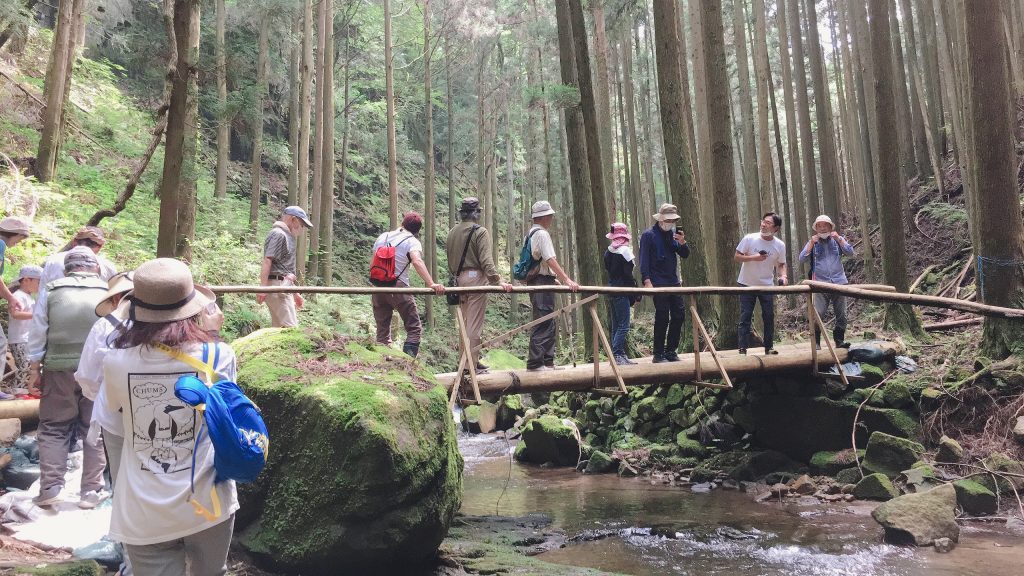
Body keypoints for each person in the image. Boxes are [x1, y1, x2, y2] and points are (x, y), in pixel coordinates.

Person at [102, 258, 237, 575]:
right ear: (194, 308)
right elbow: (225, 411)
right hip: (209, 500)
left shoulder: (116, 362)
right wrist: (212, 334)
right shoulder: (220, 355)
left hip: (143, 506)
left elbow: (117, 417)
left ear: (137, 309)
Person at [26, 247, 110, 507]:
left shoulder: (51, 290)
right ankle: (91, 491)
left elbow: (38, 329)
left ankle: (51, 487)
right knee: (94, 427)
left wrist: (34, 369)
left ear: (66, 268)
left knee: (53, 426)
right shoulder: (108, 293)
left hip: (58, 367)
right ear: (95, 267)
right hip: (98, 370)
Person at [444, 197, 513, 373]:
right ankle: (470, 366)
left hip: (457, 280)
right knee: (473, 325)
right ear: (475, 213)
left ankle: (467, 361)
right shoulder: (480, 232)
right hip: (475, 280)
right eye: (479, 212)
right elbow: (486, 261)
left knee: (465, 324)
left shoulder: (452, 232)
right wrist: (497, 282)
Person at [370, 212, 445, 357]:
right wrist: (431, 283)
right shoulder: (412, 241)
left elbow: (373, 261)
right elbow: (416, 260)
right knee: (414, 328)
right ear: (417, 230)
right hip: (398, 287)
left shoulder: (383, 236)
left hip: (378, 287)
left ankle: (382, 363)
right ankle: (408, 365)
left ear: (402, 223)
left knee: (382, 330)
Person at [522, 201, 580, 372]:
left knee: (548, 320)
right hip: (541, 282)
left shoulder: (531, 233)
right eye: (550, 216)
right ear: (545, 217)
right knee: (543, 320)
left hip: (541, 280)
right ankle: (536, 363)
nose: (552, 218)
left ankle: (548, 361)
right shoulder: (541, 234)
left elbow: (539, 260)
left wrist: (552, 278)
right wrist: (566, 279)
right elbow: (549, 259)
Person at [639, 204, 690, 363]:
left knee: (679, 314)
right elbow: (643, 260)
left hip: (673, 282)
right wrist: (647, 281)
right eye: (668, 220)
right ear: (661, 219)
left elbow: (685, 254)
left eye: (672, 220)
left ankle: (671, 351)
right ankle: (658, 353)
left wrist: (682, 242)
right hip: (657, 282)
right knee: (662, 316)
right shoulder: (649, 235)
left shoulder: (672, 235)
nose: (670, 223)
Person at [735, 212, 789, 355]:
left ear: (776, 228)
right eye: (763, 221)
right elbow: (737, 256)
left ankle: (769, 347)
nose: (763, 224)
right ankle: (742, 349)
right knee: (745, 316)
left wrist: (783, 276)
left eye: (768, 223)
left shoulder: (779, 245)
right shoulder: (749, 239)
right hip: (746, 283)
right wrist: (754, 257)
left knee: (768, 316)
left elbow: (782, 264)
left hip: (766, 284)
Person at [799, 214, 855, 348]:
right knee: (818, 313)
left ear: (830, 227)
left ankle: (839, 340)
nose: (822, 228)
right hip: (819, 284)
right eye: (819, 226)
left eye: (825, 226)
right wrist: (811, 244)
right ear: (816, 229)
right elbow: (802, 259)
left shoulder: (837, 240)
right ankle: (816, 342)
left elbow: (850, 252)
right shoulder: (813, 242)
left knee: (842, 314)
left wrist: (839, 239)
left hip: (839, 282)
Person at [258, 206, 313, 328]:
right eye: (301, 224)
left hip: (283, 285)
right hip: (278, 287)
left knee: (279, 330)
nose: (302, 229)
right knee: (291, 329)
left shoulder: (287, 236)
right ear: (293, 220)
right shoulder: (278, 234)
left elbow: (284, 268)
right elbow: (268, 260)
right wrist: (263, 288)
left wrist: (295, 293)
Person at [36, 226, 118, 301]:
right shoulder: (108, 266)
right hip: (93, 313)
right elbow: (113, 297)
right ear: (100, 246)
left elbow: (42, 293)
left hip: (56, 311)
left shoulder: (54, 260)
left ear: (74, 242)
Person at [0, 217, 31, 385]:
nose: (18, 242)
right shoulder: (0, 244)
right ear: (16, 234)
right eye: (20, 239)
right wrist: (11, 297)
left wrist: (9, 296)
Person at [604, 223, 639, 365]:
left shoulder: (608, 252)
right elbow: (628, 275)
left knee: (616, 324)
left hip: (611, 289)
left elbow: (609, 269)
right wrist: (635, 292)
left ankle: (618, 354)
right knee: (623, 325)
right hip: (622, 290)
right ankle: (618, 354)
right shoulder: (624, 252)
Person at [6, 265, 42, 397]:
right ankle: (16, 390)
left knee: (30, 366)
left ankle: (24, 390)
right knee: (25, 366)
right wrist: (37, 315)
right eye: (38, 282)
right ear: (26, 280)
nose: (40, 285)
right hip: (19, 338)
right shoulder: (18, 296)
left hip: (27, 338)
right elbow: (16, 314)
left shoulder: (29, 297)